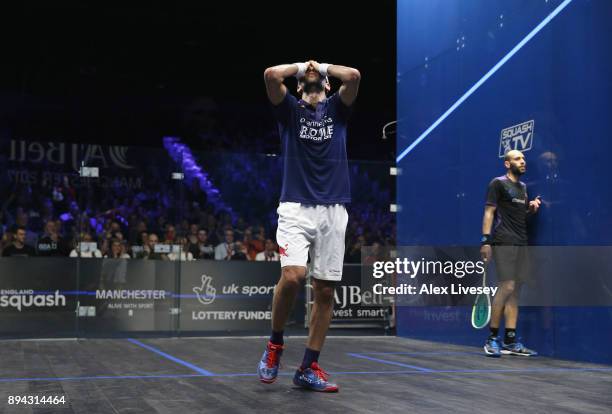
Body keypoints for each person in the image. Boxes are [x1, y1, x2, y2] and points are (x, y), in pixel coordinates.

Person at [257, 60, 360, 392]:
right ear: (299, 86)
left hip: (334, 210)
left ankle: (307, 368)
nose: (310, 77)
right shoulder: (289, 111)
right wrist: (302, 67)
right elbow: (272, 75)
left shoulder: (337, 110)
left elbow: (355, 76)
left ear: (328, 85)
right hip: (295, 207)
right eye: (304, 79)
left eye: (318, 78)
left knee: (325, 291)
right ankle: (275, 346)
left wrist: (324, 67)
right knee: (293, 275)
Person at [480, 150, 541, 357]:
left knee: (516, 292)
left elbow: (518, 215)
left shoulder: (523, 188)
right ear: (507, 164)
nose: (522, 162)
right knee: (506, 286)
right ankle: (492, 338)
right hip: (503, 241)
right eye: (517, 159)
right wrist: (486, 241)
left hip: (521, 242)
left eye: (523, 159)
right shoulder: (497, 183)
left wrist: (530, 209)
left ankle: (510, 340)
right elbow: (489, 212)